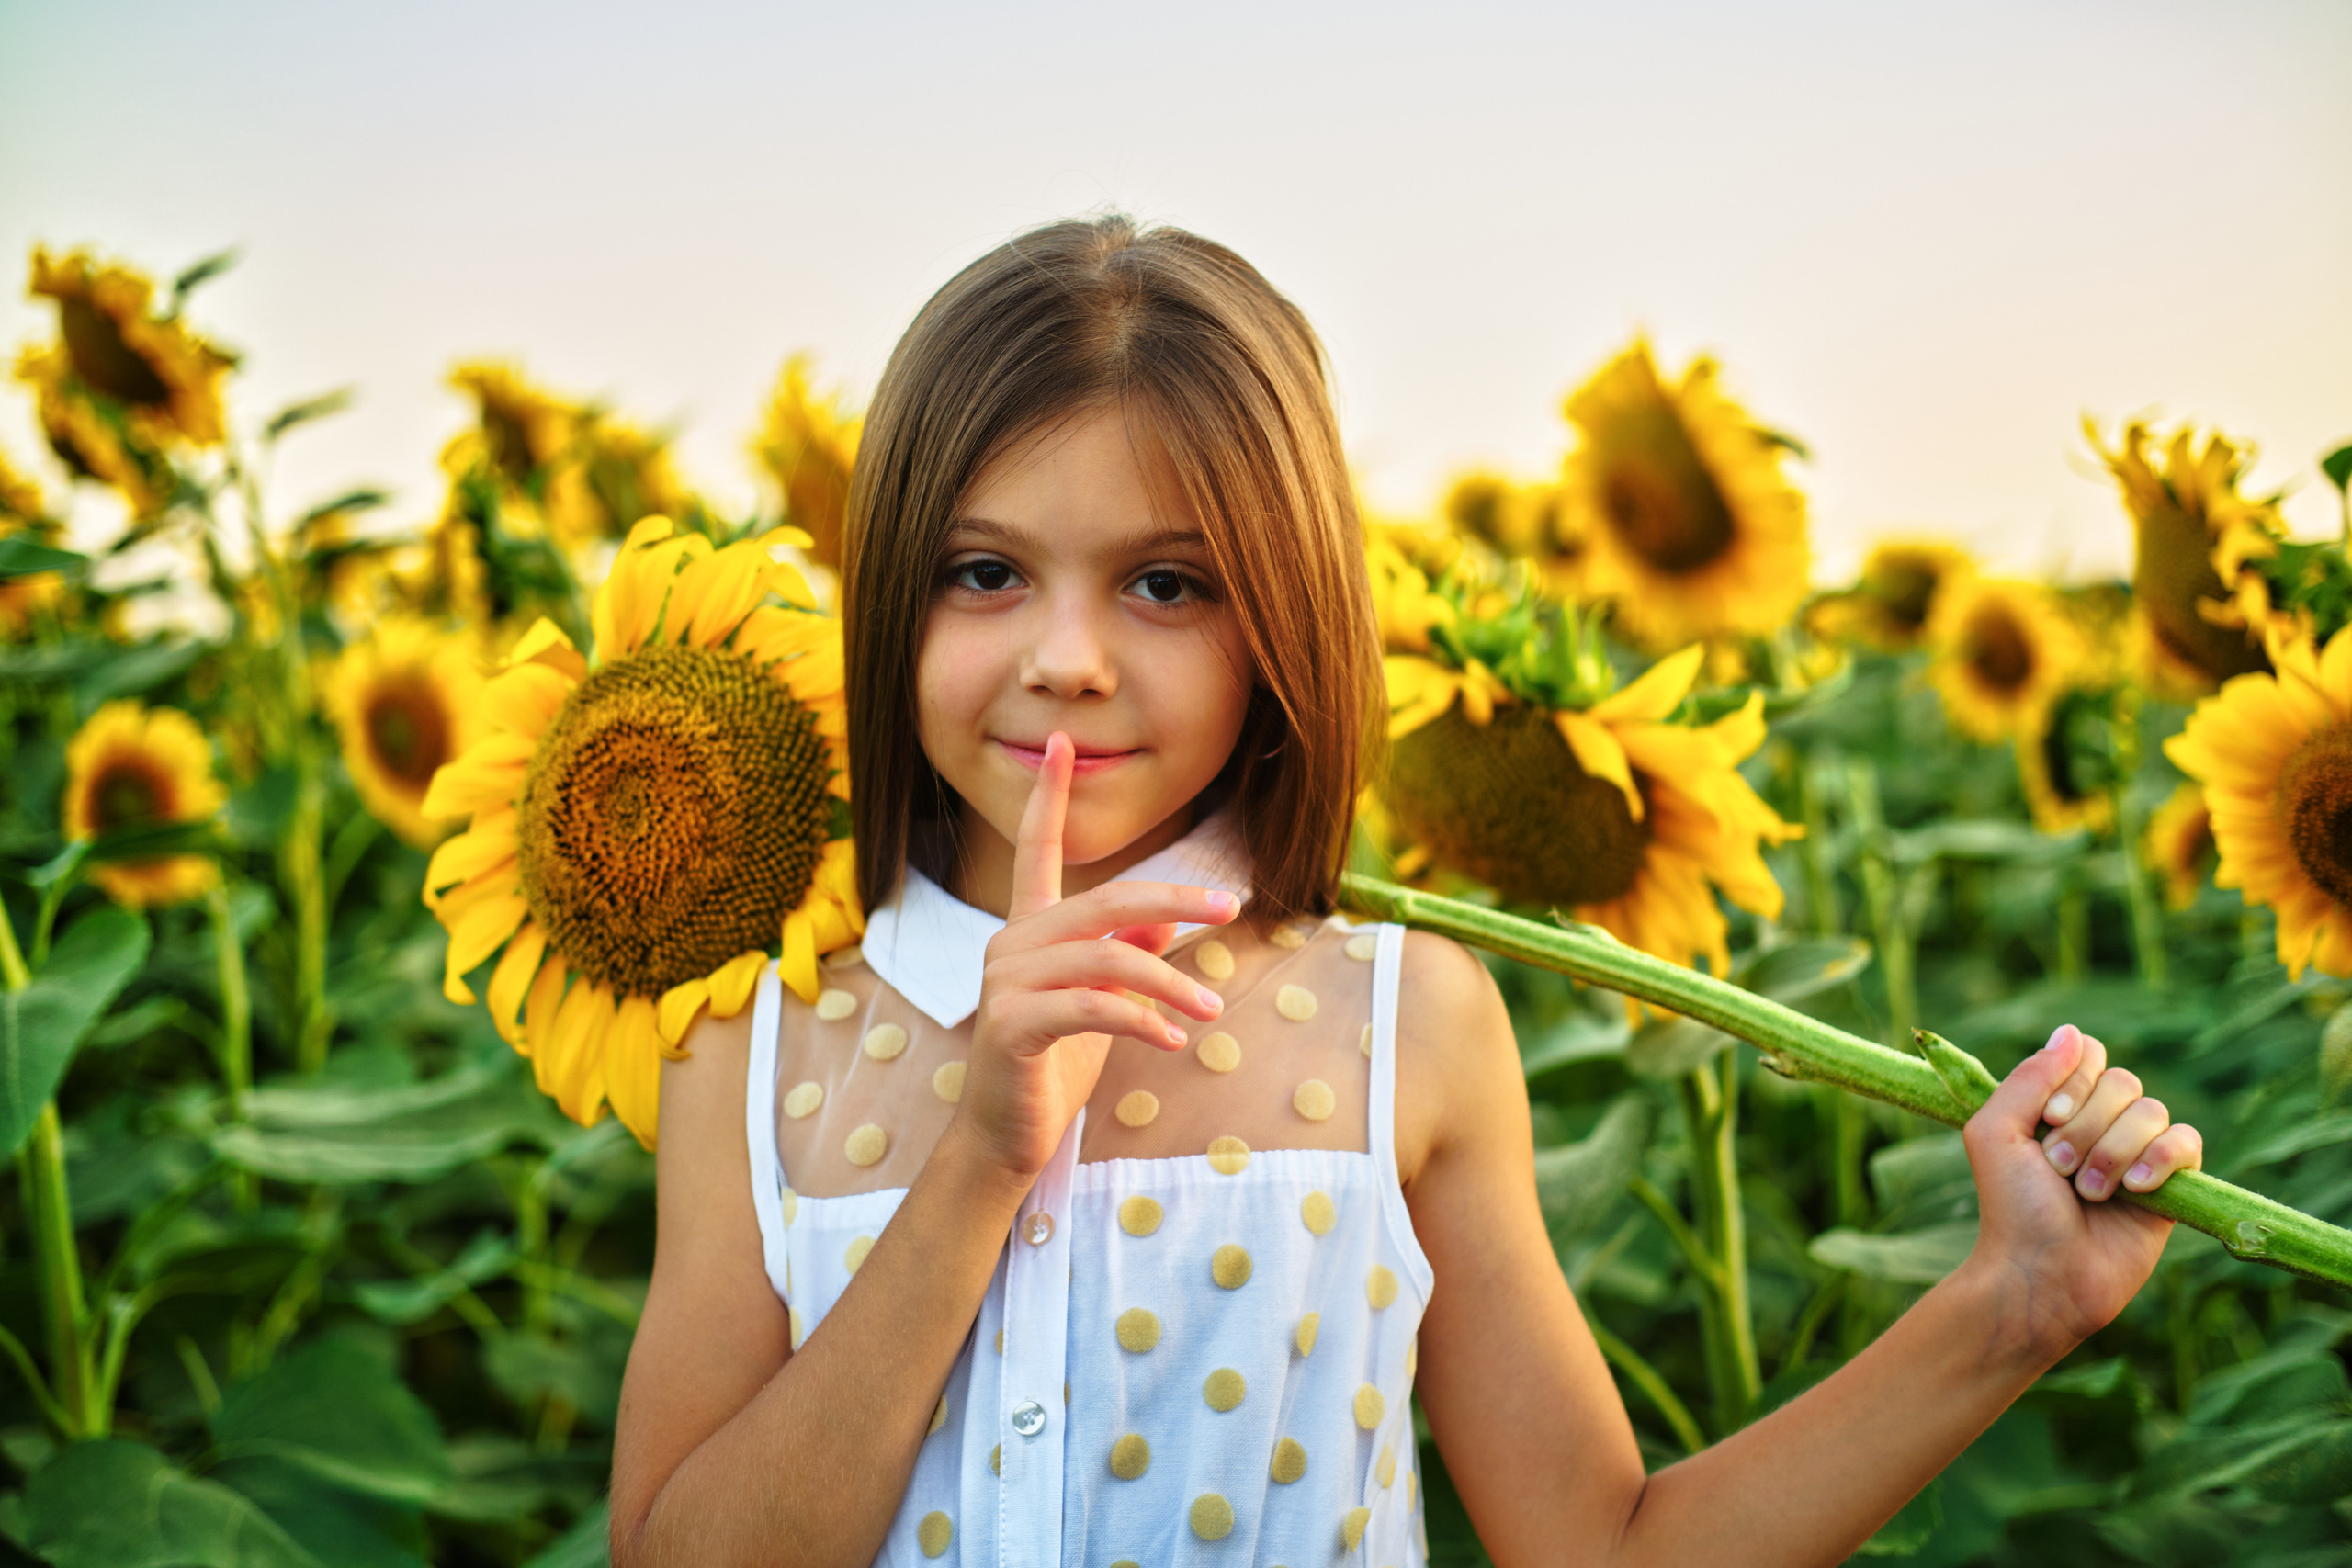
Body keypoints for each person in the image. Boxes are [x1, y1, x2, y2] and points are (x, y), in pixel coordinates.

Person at [607, 214, 2205, 1568]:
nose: (1067, 659)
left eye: (1167, 584)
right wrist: (975, 1163)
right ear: (892, 594)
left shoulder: (1402, 1025)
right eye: (984, 571)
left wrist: (2014, 1304)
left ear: (1281, 621)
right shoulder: (754, 1047)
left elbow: (1605, 1545)